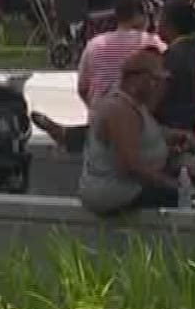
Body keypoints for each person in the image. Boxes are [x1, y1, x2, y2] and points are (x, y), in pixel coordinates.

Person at [78, 50, 187, 215]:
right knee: (184, 200)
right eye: (155, 80)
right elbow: (130, 166)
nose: (159, 87)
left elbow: (146, 133)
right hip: (116, 192)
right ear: (136, 79)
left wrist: (176, 136)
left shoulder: (136, 105)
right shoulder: (119, 109)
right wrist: (175, 186)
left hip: (131, 185)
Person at [77, 0, 166, 107]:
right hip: (138, 116)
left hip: (100, 114)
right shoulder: (152, 42)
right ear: (142, 15)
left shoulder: (94, 44)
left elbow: (82, 88)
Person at [154, 0, 195, 133]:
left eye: (159, 19)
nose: (156, 24)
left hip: (174, 129)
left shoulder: (167, 59)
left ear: (169, 25)